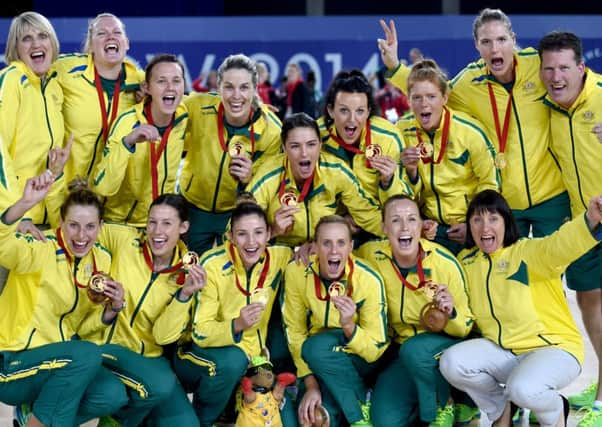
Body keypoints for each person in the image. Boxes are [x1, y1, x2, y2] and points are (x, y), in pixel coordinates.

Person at [379, 10, 571, 239]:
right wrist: (395, 67)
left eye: (501, 39)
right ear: (477, 47)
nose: (495, 49)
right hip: (505, 201)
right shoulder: (470, 82)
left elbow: (579, 79)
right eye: (486, 42)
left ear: (513, 39)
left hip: (551, 196)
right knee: (513, 272)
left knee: (553, 269)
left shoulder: (538, 66)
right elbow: (433, 92)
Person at [439, 189, 602, 427]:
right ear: (469, 226)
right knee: (452, 362)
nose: (485, 227)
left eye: (493, 219)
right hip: (505, 352)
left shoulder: (529, 251)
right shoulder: (466, 263)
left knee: (522, 388)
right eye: (477, 219)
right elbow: (464, 318)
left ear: (506, 222)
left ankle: (556, 410)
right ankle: (500, 411)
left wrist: (589, 220)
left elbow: (561, 244)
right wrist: (451, 311)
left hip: (552, 349)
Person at [0, 171, 128, 427]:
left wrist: (112, 310)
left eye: (90, 226)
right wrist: (24, 205)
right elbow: (3, 246)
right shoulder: (39, 246)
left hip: (58, 364)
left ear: (101, 226)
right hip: (14, 362)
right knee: (87, 355)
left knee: (112, 393)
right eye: (73, 225)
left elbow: (82, 328)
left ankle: (33, 417)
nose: (82, 236)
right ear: (61, 222)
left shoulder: (100, 261)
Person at [174, 199, 294, 427]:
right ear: (230, 235)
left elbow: (307, 258)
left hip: (255, 357)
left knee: (281, 420)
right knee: (232, 362)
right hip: (198, 352)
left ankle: (232, 405)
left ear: (269, 234)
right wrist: (236, 324)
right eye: (242, 234)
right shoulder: (212, 264)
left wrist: (309, 249)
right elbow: (201, 332)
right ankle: (202, 420)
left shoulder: (280, 257)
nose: (251, 242)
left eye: (258, 233)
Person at [357, 195, 474, 427]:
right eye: (395, 220)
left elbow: (466, 327)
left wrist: (451, 313)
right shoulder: (371, 255)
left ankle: (443, 406)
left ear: (422, 226)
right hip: (402, 352)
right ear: (384, 228)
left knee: (416, 350)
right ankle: (425, 401)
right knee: (385, 422)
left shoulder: (444, 263)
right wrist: (309, 249)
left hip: (443, 344)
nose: (404, 227)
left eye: (411, 219)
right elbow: (341, 258)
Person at [88, 194, 203, 426]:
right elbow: (82, 228)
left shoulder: (187, 274)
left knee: (186, 424)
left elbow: (163, 337)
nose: (156, 231)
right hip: (106, 346)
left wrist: (184, 296)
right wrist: (31, 225)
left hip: (148, 359)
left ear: (183, 227)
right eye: (152, 222)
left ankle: (135, 414)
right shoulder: (125, 240)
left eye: (166, 223)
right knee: (157, 386)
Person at [538, 31, 602, 425]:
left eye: (564, 67)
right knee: (591, 301)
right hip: (585, 222)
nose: (555, 76)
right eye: (548, 68)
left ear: (581, 67)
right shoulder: (546, 106)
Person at [282, 215, 389, 426]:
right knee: (314, 419)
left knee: (316, 347)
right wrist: (310, 384)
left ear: (351, 246)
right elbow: (294, 332)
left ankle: (358, 415)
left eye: (341, 243)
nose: (333, 251)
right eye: (326, 243)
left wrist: (349, 326)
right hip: (318, 363)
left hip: (358, 357)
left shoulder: (368, 278)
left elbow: (375, 349)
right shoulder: (296, 272)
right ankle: (360, 402)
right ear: (314, 247)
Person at [180, 53, 282, 256]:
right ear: (218, 87)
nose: (236, 96)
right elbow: (166, 98)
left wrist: (249, 179)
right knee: (190, 274)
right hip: (193, 209)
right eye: (229, 87)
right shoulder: (199, 106)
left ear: (254, 89)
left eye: (244, 87)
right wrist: (141, 90)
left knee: (227, 278)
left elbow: (270, 185)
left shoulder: (272, 131)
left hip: (235, 215)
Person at [398, 59, 499, 254]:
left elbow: (490, 183)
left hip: (468, 228)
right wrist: (418, 221)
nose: (424, 104)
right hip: (427, 229)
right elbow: (397, 191)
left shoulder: (469, 132)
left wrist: (474, 224)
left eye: (431, 96)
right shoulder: (401, 131)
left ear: (445, 98)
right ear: (408, 100)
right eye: (417, 97)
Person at [246, 113, 383, 248]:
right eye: (295, 146)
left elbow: (369, 214)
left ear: (320, 144)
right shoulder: (269, 173)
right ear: (284, 147)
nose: (304, 153)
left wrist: (397, 235)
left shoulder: (337, 170)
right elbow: (240, 224)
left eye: (311, 144)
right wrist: (273, 231)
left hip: (323, 250)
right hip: (281, 253)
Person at [90, 54, 188, 228]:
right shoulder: (127, 123)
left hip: (161, 226)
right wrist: (128, 143)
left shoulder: (184, 116)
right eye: (161, 81)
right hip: (122, 225)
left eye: (176, 81)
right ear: (146, 87)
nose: (170, 88)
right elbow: (103, 187)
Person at [52, 13, 144, 183]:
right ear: (91, 46)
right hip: (65, 189)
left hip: (113, 193)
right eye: (101, 33)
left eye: (117, 32)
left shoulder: (142, 84)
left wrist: (149, 104)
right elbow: (31, 72)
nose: (110, 36)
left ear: (127, 43)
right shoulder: (66, 70)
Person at [0, 11, 64, 230]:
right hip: (14, 222)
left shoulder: (54, 87)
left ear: (52, 42)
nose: (36, 44)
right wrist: (17, 213)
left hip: (48, 222)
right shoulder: (11, 81)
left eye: (42, 36)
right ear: (15, 48)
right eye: (26, 38)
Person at [319, 70, 411, 210]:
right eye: (344, 111)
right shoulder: (315, 137)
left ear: (368, 112)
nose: (352, 119)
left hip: (380, 222)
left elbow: (406, 201)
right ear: (331, 110)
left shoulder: (388, 138)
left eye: (360, 111)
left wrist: (389, 182)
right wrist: (339, 220)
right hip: (334, 225)